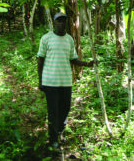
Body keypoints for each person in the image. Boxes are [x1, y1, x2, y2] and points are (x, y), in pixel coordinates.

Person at [37, 12, 93, 148]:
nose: (61, 23)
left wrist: (87, 64)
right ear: (54, 23)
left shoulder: (69, 39)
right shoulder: (46, 38)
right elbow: (40, 59)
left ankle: (60, 132)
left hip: (66, 82)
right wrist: (40, 81)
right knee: (53, 111)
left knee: (65, 108)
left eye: (63, 21)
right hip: (50, 82)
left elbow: (73, 59)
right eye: (59, 21)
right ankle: (53, 138)